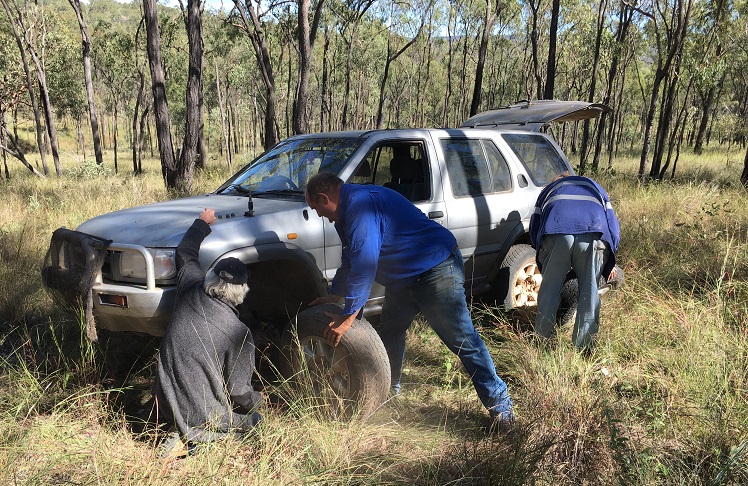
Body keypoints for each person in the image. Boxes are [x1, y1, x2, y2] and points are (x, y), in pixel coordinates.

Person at [304, 172, 514, 429]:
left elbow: (365, 265)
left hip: (435, 270)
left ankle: (501, 407)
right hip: (402, 280)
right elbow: (351, 258)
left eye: (316, 207)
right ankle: (388, 395)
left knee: (463, 341)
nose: (317, 214)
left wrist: (349, 316)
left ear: (324, 198)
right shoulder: (344, 214)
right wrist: (336, 293)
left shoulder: (360, 206)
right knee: (391, 335)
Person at [153, 209, 262, 457]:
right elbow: (239, 396)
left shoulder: (190, 287)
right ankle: (197, 440)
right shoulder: (239, 333)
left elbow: (185, 252)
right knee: (256, 421)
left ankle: (179, 430)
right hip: (203, 416)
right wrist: (259, 398)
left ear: (210, 277)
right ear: (243, 290)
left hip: (163, 403)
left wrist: (202, 222)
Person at [529, 174, 620, 351]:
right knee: (590, 293)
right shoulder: (594, 187)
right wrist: (610, 262)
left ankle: (542, 343)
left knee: (549, 291)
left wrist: (543, 257)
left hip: (556, 235)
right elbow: (612, 227)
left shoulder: (548, 191)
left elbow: (535, 227)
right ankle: (583, 348)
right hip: (593, 234)